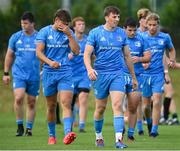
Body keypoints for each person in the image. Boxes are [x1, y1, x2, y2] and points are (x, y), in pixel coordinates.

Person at [84, 6, 137, 149]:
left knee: (117, 105)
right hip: (100, 75)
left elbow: (127, 56)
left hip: (117, 74)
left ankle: (119, 140)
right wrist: (89, 69)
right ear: (106, 17)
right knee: (100, 108)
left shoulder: (121, 33)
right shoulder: (95, 32)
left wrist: (133, 77)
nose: (117, 19)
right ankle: (99, 137)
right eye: (114, 17)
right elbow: (87, 54)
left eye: (118, 17)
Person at [36, 9, 80, 145]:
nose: (65, 26)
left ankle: (68, 134)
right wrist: (50, 62)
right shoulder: (44, 32)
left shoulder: (69, 33)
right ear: (56, 20)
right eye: (63, 23)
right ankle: (51, 135)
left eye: (67, 24)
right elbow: (38, 52)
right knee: (51, 106)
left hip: (65, 71)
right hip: (49, 72)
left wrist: (70, 36)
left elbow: (77, 51)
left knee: (66, 103)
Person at [3, 11, 40, 136]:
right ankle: (19, 126)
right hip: (19, 74)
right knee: (18, 98)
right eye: (22, 23)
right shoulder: (15, 37)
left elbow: (46, 55)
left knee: (31, 101)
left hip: (34, 75)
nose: (23, 25)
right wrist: (6, 73)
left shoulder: (39, 37)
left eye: (26, 23)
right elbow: (9, 55)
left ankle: (29, 129)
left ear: (32, 24)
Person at [142, 13, 176, 137]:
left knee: (156, 101)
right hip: (144, 75)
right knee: (146, 106)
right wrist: (142, 62)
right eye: (149, 25)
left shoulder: (165, 37)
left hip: (158, 75)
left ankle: (154, 130)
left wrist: (172, 60)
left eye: (154, 25)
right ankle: (149, 121)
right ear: (146, 25)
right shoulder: (141, 36)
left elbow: (171, 49)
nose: (152, 27)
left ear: (158, 24)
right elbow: (133, 51)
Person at [123, 17, 151, 141]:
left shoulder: (142, 39)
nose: (133, 33)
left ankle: (130, 134)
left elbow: (148, 57)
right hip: (120, 76)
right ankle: (120, 129)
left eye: (134, 30)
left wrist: (139, 59)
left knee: (133, 106)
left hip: (137, 76)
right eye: (130, 30)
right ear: (124, 29)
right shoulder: (119, 39)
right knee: (117, 104)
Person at [69, 16, 91, 132]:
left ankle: (82, 126)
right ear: (74, 27)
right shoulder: (69, 40)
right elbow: (61, 54)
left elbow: (94, 54)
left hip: (84, 74)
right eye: (79, 24)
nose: (81, 26)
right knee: (70, 102)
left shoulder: (89, 40)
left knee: (83, 98)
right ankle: (70, 125)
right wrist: (67, 56)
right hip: (70, 75)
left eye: (83, 24)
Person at [136, 8, 151, 135]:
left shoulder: (152, 33)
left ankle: (150, 121)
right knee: (138, 100)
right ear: (140, 20)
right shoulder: (135, 34)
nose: (148, 22)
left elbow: (158, 52)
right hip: (138, 71)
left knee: (147, 103)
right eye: (146, 19)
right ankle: (140, 128)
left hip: (152, 72)